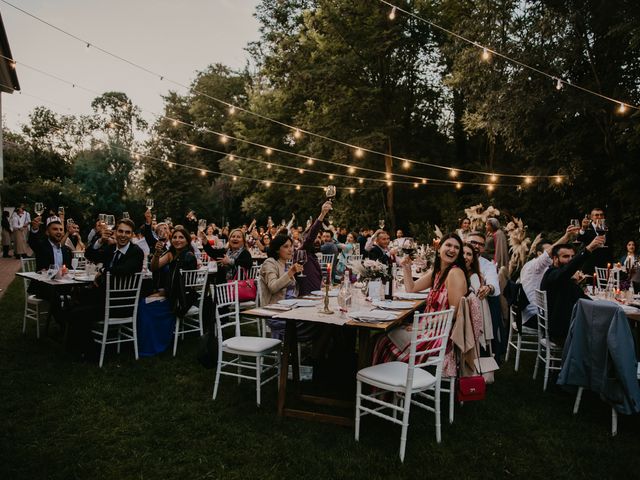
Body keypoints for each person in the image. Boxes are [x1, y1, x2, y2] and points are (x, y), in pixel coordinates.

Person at [372, 233, 467, 364]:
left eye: (456, 247)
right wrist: (406, 268)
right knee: (380, 336)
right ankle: (389, 378)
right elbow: (411, 288)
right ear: (439, 249)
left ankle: (394, 380)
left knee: (383, 339)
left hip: (439, 336)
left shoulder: (455, 273)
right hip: (429, 329)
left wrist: (422, 325)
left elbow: (455, 313)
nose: (452, 250)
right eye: (449, 245)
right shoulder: (439, 271)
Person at [540, 235, 605, 343]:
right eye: (566, 256)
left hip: (566, 326)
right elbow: (567, 270)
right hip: (562, 333)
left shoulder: (562, 277)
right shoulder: (552, 275)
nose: (570, 260)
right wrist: (588, 250)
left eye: (572, 257)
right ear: (555, 259)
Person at [519, 226, 580, 327]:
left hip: (529, 313)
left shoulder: (536, 266)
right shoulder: (535, 266)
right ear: (539, 253)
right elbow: (549, 253)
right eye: (550, 252)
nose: (553, 254)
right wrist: (566, 236)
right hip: (534, 316)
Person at [466, 231, 504, 359]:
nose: (477, 246)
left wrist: (489, 287)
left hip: (476, 309)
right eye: (473, 242)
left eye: (480, 244)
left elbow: (494, 282)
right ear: (465, 241)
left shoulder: (487, 265)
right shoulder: (456, 259)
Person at [259, 234, 304, 338]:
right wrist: (291, 272)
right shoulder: (270, 263)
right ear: (277, 250)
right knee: (312, 323)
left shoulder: (286, 264)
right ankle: (289, 349)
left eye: (291, 246)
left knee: (316, 320)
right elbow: (273, 287)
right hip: (275, 313)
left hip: (290, 308)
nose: (290, 249)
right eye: (286, 246)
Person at [150, 225, 198, 302]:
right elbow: (153, 268)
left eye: (181, 237)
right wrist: (157, 253)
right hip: (170, 292)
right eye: (174, 237)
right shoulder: (171, 253)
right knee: (144, 301)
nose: (177, 240)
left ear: (187, 240)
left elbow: (184, 284)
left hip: (181, 298)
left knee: (145, 304)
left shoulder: (189, 256)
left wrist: (163, 293)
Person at [297, 201, 332, 296]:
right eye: (315, 237)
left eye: (319, 238)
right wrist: (322, 214)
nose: (317, 240)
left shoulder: (313, 255)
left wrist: (322, 283)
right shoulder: (302, 251)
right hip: (305, 298)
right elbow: (310, 237)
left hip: (316, 296)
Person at [576, 208, 611, 273]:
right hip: (589, 265)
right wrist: (583, 228)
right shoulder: (586, 227)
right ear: (592, 217)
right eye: (597, 215)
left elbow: (610, 246)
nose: (600, 217)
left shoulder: (607, 228)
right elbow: (579, 239)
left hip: (605, 265)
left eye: (601, 215)